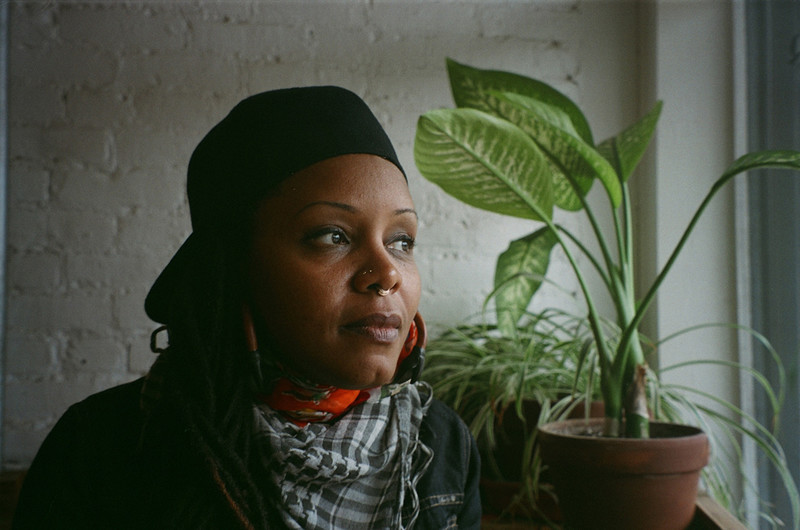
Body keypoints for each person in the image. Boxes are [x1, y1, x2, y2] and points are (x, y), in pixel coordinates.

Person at [12, 86, 481, 529]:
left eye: (401, 241)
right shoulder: (102, 448)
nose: (387, 273)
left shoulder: (441, 445)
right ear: (236, 267)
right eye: (332, 236)